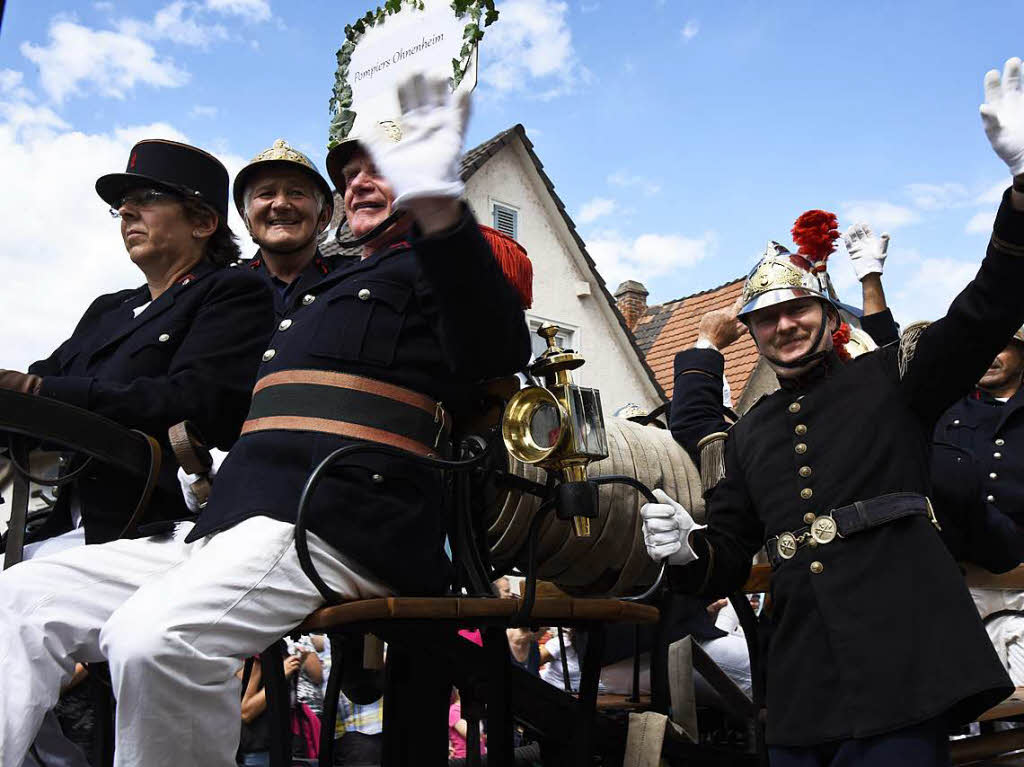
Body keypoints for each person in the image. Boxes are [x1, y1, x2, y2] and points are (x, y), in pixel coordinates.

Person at [0, 73, 531, 767]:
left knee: (158, 637)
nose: (363, 182)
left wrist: (440, 207)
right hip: (228, 525)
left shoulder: (437, 264)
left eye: (384, 167)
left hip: (336, 520)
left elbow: (496, 344)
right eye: (351, 173)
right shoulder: (313, 292)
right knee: (20, 599)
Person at [641, 58, 1024, 766]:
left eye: (796, 309)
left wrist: (1022, 190)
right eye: (766, 318)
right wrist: (685, 548)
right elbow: (726, 552)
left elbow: (986, 309)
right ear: (750, 333)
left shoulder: (896, 375)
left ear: (825, 313)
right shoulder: (750, 431)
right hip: (803, 681)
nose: (782, 326)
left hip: (904, 657)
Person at [0, 139, 273, 560]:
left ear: (202, 222)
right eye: (122, 205)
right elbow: (36, 384)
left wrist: (43, 392)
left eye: (147, 199)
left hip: (155, 526)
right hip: (62, 524)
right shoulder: (109, 309)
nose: (126, 212)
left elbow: (196, 401)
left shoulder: (234, 292)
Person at [233, 139, 343, 317]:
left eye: (296, 193)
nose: (281, 204)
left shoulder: (352, 277)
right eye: (266, 194)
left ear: (323, 217)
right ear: (246, 219)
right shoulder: (222, 288)